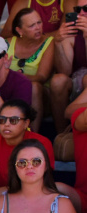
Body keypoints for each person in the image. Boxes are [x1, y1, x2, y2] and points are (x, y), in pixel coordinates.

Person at [0, 100, 81, 213]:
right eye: (2, 120)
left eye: (13, 120)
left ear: (26, 123)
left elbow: (42, 180)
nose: (6, 124)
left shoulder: (41, 142)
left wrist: (5, 190)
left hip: (30, 194)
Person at [8, 8, 54, 127]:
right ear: (19, 30)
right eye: (32, 25)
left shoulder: (48, 42)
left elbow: (42, 77)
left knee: (34, 86)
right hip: (10, 91)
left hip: (41, 95)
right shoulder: (6, 44)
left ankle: (34, 135)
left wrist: (21, 77)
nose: (38, 28)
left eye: (39, 23)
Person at [49, 0, 87, 132]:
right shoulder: (73, 31)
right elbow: (64, 71)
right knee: (57, 81)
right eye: (78, 10)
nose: (81, 14)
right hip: (77, 82)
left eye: (86, 9)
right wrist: (58, 43)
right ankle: (62, 134)